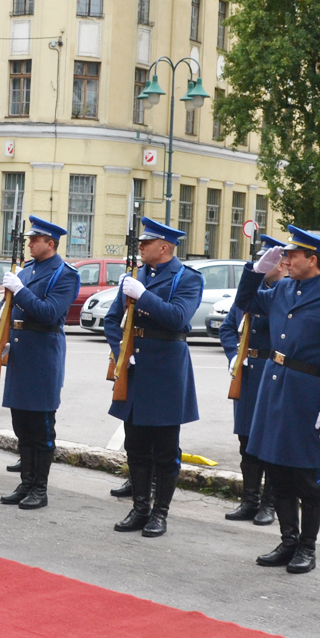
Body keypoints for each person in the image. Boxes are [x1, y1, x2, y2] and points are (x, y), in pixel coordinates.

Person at [233, 228, 320, 573]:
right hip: (274, 388)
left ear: (313, 260)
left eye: (292, 256)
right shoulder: (283, 288)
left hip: (307, 392)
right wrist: (256, 272)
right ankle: (288, 540)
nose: (285, 261)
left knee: (307, 476)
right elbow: (244, 303)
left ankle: (308, 546)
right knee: (276, 471)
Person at [103, 217, 205, 538]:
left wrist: (144, 296)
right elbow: (111, 321)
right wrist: (122, 349)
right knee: (135, 445)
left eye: (146, 243)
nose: (141, 247)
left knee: (164, 448)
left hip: (166, 369)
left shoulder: (187, 279)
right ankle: (140, 507)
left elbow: (178, 317)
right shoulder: (135, 276)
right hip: (136, 368)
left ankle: (160, 512)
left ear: (164, 247)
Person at [0, 217, 81, 507]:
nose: (29, 243)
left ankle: (40, 489)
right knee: (21, 424)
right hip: (21, 350)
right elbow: (14, 313)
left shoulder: (64, 274)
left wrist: (20, 290)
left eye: (35, 240)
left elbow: (48, 312)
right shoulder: (29, 269)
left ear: (51, 244)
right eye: (29, 239)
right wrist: (3, 340)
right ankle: (26, 483)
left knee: (41, 426)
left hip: (43, 354)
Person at [218, 234, 286, 526]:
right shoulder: (250, 290)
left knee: (270, 441)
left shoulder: (284, 294)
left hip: (271, 372)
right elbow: (227, 328)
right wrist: (234, 355)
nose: (259, 264)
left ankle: (269, 503)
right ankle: (249, 500)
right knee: (246, 441)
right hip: (246, 373)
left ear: (281, 264)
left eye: (265, 261)